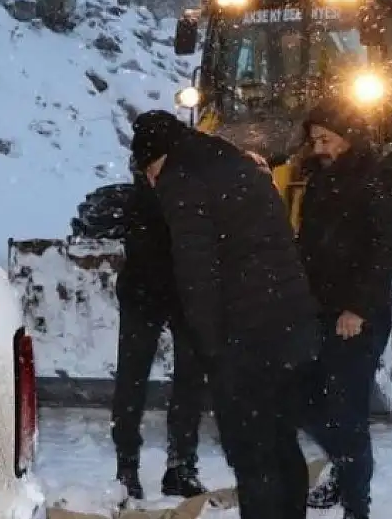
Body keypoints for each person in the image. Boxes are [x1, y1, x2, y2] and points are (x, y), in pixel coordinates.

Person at [130, 109, 321, 519]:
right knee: (281, 439)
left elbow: (196, 272)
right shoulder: (234, 160)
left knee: (251, 452)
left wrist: (208, 345)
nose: (150, 182)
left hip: (248, 335)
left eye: (148, 171)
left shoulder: (181, 180)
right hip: (290, 321)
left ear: (157, 159)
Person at [296, 103, 392, 519]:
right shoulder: (319, 179)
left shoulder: (379, 178)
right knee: (302, 399)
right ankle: (346, 472)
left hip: (358, 317)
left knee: (347, 412)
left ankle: (356, 506)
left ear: (348, 135)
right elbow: (309, 245)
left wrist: (358, 307)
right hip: (319, 310)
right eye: (314, 140)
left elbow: (386, 250)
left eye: (326, 139)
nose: (319, 147)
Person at [111, 158, 209, 503]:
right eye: (150, 166)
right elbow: (145, 252)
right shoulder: (138, 202)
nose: (157, 172)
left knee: (190, 381)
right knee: (131, 381)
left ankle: (181, 464)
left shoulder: (194, 192)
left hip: (186, 297)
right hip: (143, 295)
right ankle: (127, 467)